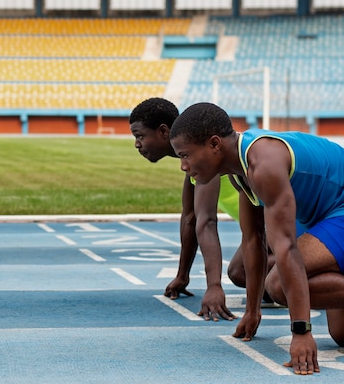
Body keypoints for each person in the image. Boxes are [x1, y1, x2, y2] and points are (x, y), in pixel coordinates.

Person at [169, 102, 344, 375]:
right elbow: (253, 240)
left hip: (339, 208)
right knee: (341, 335)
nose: (183, 166)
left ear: (214, 144)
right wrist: (252, 312)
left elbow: (285, 249)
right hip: (324, 214)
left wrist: (301, 331)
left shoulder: (263, 164)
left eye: (185, 155)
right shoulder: (241, 170)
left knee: (277, 285)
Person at [129, 97, 239, 321]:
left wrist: (214, 286)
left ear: (162, 131)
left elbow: (207, 221)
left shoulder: (204, 156)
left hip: (282, 227)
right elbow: (190, 217)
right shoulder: (191, 161)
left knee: (244, 274)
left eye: (140, 136)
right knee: (243, 273)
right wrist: (182, 275)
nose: (137, 144)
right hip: (264, 230)